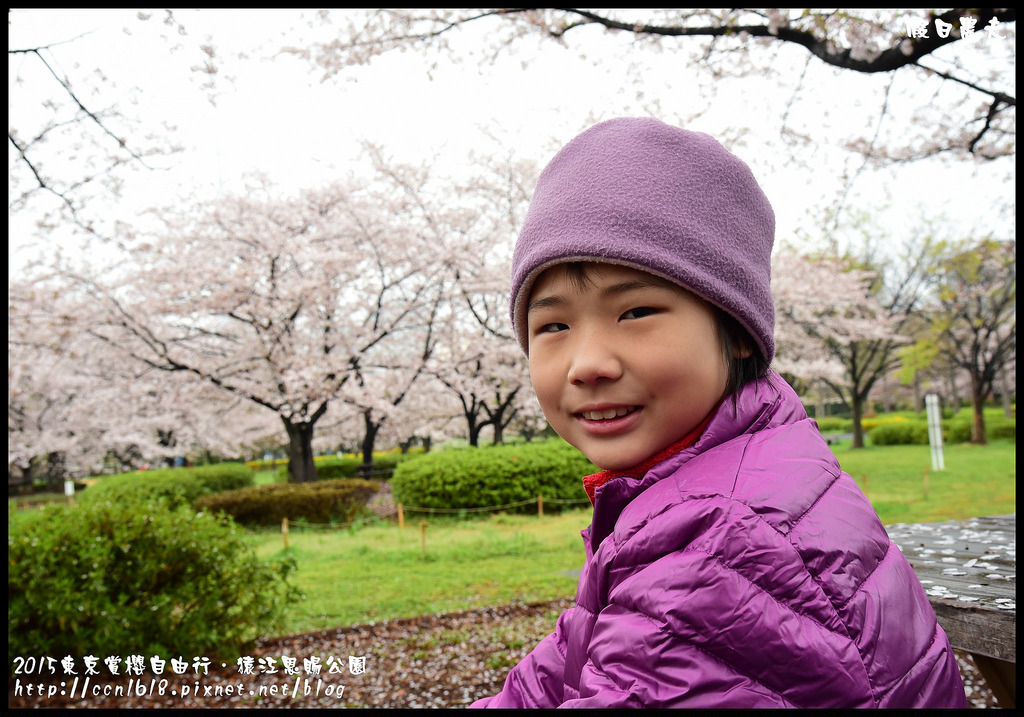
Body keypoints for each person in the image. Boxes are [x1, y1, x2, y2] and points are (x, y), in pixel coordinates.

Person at [470, 117, 967, 708]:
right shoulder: (729, 476)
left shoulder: (720, 542)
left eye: (635, 313)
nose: (587, 364)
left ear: (736, 335)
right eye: (552, 325)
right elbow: (558, 667)